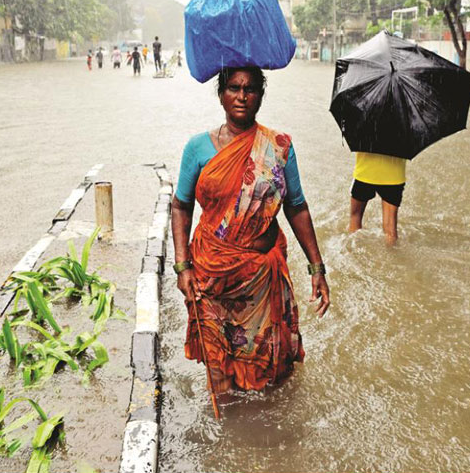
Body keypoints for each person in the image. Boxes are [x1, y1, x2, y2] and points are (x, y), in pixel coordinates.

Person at [172, 66, 330, 395]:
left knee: (271, 373)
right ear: (221, 95)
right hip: (211, 277)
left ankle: (265, 443)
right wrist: (182, 265)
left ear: (260, 95)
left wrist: (317, 267)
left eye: (250, 89)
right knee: (219, 373)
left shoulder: (278, 147)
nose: (242, 96)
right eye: (233, 88)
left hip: (261, 280)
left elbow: (296, 206)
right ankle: (227, 441)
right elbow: (180, 205)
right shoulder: (197, 148)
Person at [348, 152, 406, 245]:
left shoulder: (365, 136)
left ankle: (353, 251)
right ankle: (391, 256)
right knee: (390, 229)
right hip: (394, 176)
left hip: (365, 173)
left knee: (355, 216)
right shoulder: (404, 136)